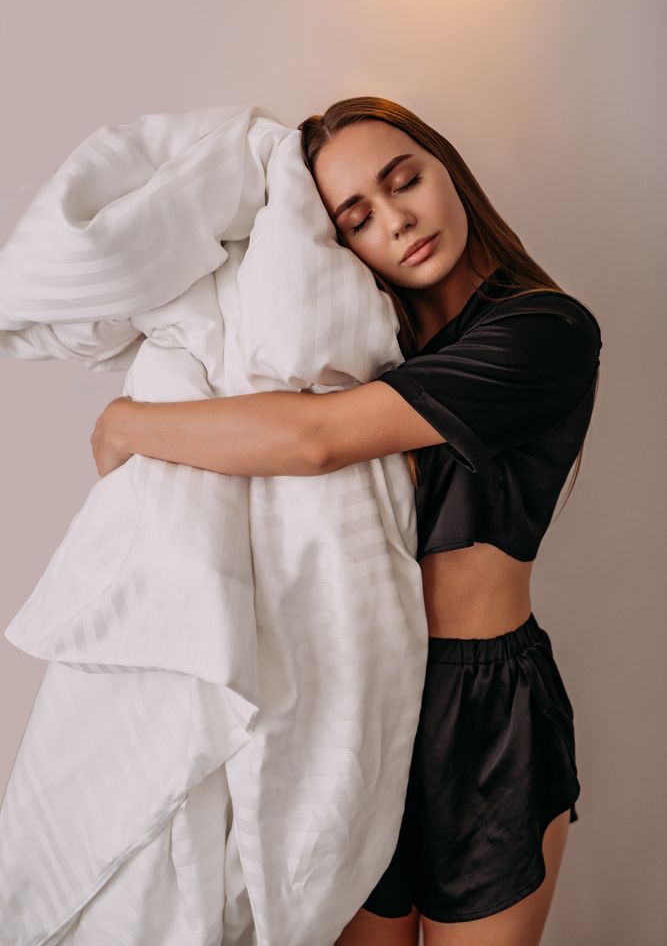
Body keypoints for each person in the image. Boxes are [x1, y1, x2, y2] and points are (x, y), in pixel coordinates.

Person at [90, 96, 602, 946]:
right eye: (357, 218)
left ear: (448, 172)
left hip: (483, 708)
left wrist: (126, 425)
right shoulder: (358, 351)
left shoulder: (543, 330)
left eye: (405, 181)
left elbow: (315, 441)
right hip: (352, 695)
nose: (396, 222)